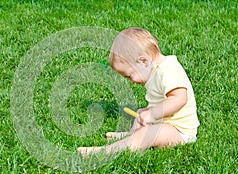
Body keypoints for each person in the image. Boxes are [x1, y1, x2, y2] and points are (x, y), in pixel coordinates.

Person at [77, 27, 199, 156]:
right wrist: (148, 112)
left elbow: (179, 98)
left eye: (129, 76)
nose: (131, 81)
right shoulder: (154, 70)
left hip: (179, 132)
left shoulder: (168, 70)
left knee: (146, 134)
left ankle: (104, 152)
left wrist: (153, 114)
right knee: (141, 116)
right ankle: (130, 136)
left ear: (143, 61)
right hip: (166, 123)